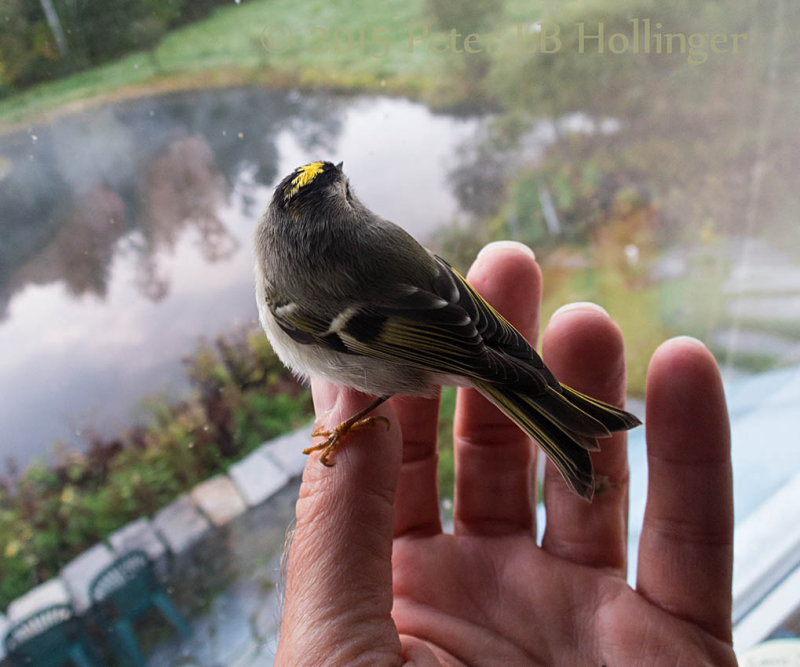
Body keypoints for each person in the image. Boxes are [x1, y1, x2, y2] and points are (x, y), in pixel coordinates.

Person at [274, 241, 736, 666]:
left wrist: (346, 425)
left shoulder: (290, 293)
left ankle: (565, 426)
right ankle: (569, 425)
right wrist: (489, 352)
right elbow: (441, 288)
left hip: (418, 345)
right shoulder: (374, 244)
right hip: (454, 314)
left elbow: (387, 345)